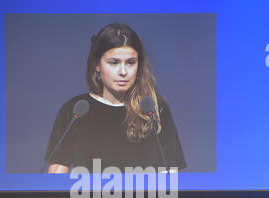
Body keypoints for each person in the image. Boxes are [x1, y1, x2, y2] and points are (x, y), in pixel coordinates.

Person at [45, 23, 186, 173]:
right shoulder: (75, 110)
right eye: (114, 62)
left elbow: (169, 177)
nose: (123, 71)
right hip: (86, 196)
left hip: (144, 197)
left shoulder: (154, 110)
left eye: (131, 62)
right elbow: (57, 178)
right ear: (97, 65)